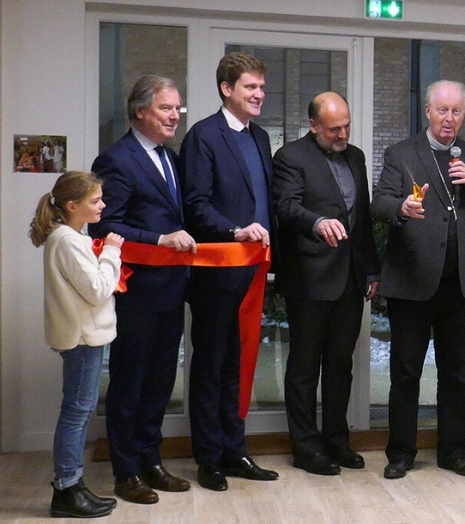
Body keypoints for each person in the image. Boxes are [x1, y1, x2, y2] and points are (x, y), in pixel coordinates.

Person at [372, 80, 465, 479]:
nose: (449, 119)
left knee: (455, 375)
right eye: (442, 111)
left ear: (464, 114)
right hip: (412, 282)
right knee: (405, 374)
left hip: (458, 285)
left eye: (457, 112)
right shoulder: (401, 154)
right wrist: (402, 207)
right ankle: (400, 454)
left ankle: (453, 451)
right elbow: (378, 204)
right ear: (428, 112)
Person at [89, 76, 196, 504]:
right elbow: (104, 224)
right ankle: (126, 471)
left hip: (172, 289)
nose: (174, 117)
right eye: (166, 109)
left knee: (160, 381)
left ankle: (152, 461)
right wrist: (158, 240)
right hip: (136, 291)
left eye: (177, 110)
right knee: (131, 381)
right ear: (139, 112)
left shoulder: (170, 157)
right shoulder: (116, 159)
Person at [179, 52, 279, 491]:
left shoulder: (260, 138)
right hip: (217, 273)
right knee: (211, 364)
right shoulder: (204, 136)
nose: (259, 94)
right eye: (250, 87)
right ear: (226, 89)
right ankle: (209, 457)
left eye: (261, 87)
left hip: (254, 274)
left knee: (240, 364)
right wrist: (237, 230)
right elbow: (196, 205)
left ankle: (235, 450)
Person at [272, 92, 380, 476]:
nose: (343, 134)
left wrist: (370, 270)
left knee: (340, 366)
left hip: (350, 281)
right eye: (335, 128)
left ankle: (337, 442)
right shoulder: (290, 158)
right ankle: (305, 448)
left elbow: (362, 219)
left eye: (347, 126)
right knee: (304, 368)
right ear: (314, 125)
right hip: (309, 280)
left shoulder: (356, 157)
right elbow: (286, 207)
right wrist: (316, 223)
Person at [28, 171, 123, 518]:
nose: (103, 205)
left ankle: (73, 483)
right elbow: (97, 289)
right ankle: (67, 488)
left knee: (79, 412)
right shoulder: (67, 240)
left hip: (82, 335)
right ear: (72, 206)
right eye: (95, 201)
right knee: (77, 413)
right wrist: (112, 252)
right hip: (82, 337)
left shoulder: (69, 236)